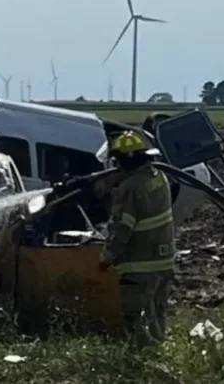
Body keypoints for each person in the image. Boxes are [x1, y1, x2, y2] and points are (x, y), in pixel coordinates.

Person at [99, 131, 176, 351]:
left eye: (118, 160)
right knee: (158, 312)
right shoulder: (158, 177)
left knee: (136, 316)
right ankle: (159, 352)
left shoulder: (129, 189)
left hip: (140, 265)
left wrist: (106, 257)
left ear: (126, 160)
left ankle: (142, 361)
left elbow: (122, 230)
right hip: (165, 260)